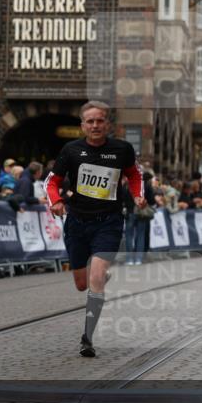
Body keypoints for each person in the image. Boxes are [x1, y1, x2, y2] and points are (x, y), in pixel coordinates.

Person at [45, 100, 144, 358]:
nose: (95, 125)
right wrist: (55, 201)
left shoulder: (122, 149)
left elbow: (135, 175)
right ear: (83, 125)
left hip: (109, 222)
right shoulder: (71, 150)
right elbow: (52, 181)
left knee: (96, 278)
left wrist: (137, 195)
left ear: (108, 124)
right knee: (82, 284)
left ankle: (87, 337)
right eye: (90, 121)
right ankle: (97, 278)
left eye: (100, 120)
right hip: (77, 222)